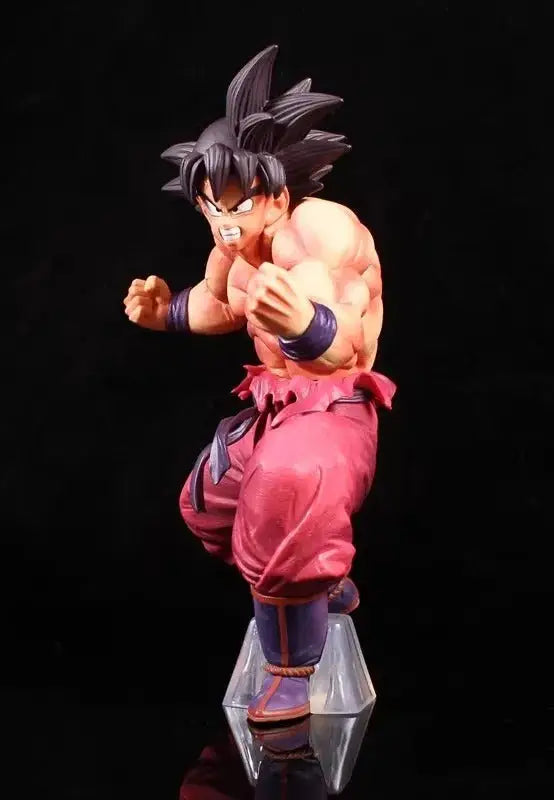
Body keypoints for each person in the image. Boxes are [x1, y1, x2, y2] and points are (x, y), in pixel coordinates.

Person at [123, 45, 396, 724]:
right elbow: (220, 306)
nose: (223, 222)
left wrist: (305, 324)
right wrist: (165, 313)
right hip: (273, 406)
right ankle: (319, 584)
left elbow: (344, 344)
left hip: (335, 411)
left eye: (237, 204)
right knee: (209, 505)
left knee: (283, 492)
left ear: (274, 193)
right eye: (209, 206)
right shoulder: (233, 248)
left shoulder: (320, 232)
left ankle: (290, 672)